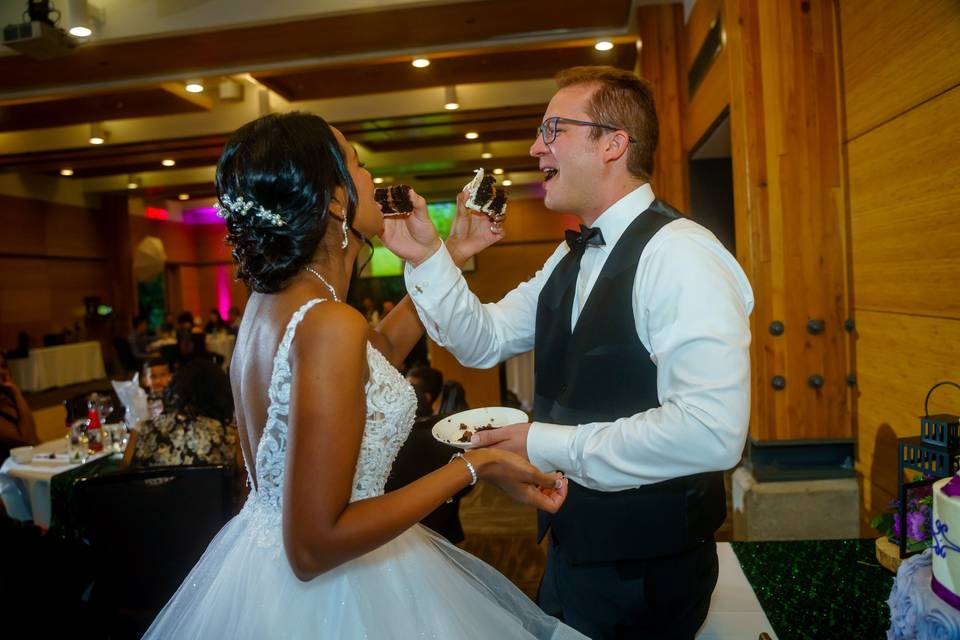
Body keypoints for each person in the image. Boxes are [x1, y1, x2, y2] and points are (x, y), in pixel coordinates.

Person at [144, 112, 580, 640]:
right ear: (333, 200)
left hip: (262, 573)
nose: (373, 179)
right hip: (332, 594)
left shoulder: (277, 303)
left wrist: (451, 253)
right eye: (358, 163)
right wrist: (476, 465)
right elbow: (314, 547)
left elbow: (381, 349)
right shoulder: (328, 321)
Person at [384, 66, 754, 639]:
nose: (536, 147)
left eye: (553, 128)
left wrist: (541, 442)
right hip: (571, 548)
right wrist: (432, 258)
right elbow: (481, 340)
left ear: (613, 144)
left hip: (648, 569)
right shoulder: (571, 255)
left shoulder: (681, 255)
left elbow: (712, 431)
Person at [123, 358, 238, 468]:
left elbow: (124, 470)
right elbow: (245, 480)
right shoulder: (229, 437)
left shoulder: (141, 430)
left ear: (177, 388)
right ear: (221, 395)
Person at [0, 353, 38, 460]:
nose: (2, 371)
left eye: (3, 366)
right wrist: (17, 394)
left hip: (22, 466)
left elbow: (35, 438)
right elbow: (28, 440)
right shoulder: (14, 397)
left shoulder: (7, 400)